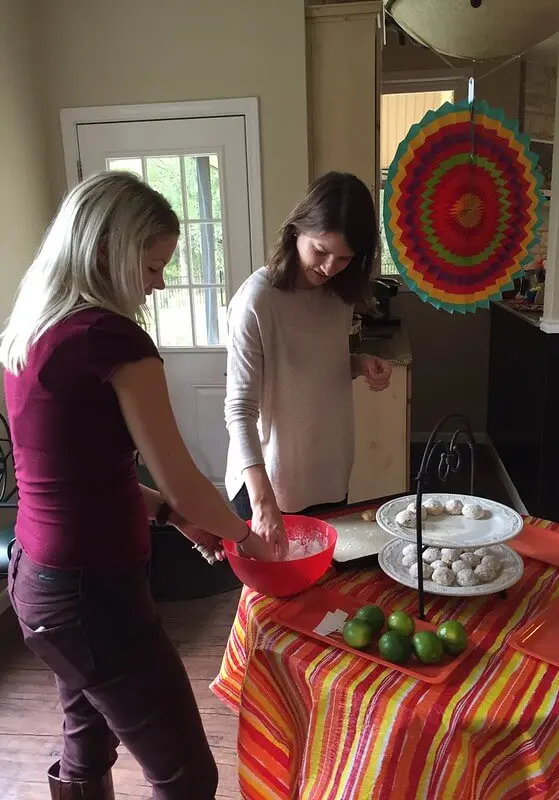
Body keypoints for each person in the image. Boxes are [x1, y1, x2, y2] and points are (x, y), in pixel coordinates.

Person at [0, 171, 274, 800]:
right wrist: (248, 538)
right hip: (92, 596)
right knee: (186, 776)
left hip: (37, 581)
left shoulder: (33, 331)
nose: (159, 283)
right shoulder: (111, 339)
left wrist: (173, 517)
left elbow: (83, 477)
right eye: (152, 266)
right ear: (106, 250)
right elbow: (183, 480)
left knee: (86, 741)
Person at [225, 171, 392, 556]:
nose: (330, 267)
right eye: (320, 250)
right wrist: (262, 501)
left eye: (345, 258)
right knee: (274, 589)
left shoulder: (338, 295)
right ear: (295, 231)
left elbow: (315, 366)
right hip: (268, 482)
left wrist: (359, 363)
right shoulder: (257, 301)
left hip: (327, 473)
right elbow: (240, 410)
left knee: (327, 583)